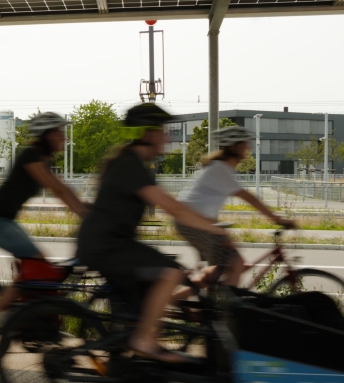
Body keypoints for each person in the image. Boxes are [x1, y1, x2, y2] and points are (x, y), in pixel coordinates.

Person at [76, 103, 228, 363]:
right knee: (171, 272)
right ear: (147, 134)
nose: (166, 137)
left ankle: (129, 345)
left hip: (109, 244)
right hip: (107, 247)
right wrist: (212, 228)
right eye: (162, 130)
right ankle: (144, 340)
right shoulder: (130, 166)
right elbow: (172, 207)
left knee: (153, 278)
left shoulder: (130, 162)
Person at [0, 112, 88, 318]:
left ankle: (21, 310)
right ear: (46, 135)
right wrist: (83, 212)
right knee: (37, 266)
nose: (64, 137)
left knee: (40, 265)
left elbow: (63, 189)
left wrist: (86, 208)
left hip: (4, 220)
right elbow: (57, 188)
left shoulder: (43, 159)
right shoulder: (30, 155)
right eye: (59, 133)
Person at [175, 126, 295, 294]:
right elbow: (249, 197)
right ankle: (225, 313)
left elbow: (203, 203)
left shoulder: (218, 168)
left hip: (193, 221)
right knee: (237, 263)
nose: (248, 147)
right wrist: (277, 219)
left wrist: (220, 230)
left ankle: (178, 299)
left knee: (225, 269)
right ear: (233, 146)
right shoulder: (220, 169)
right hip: (193, 221)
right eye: (244, 143)